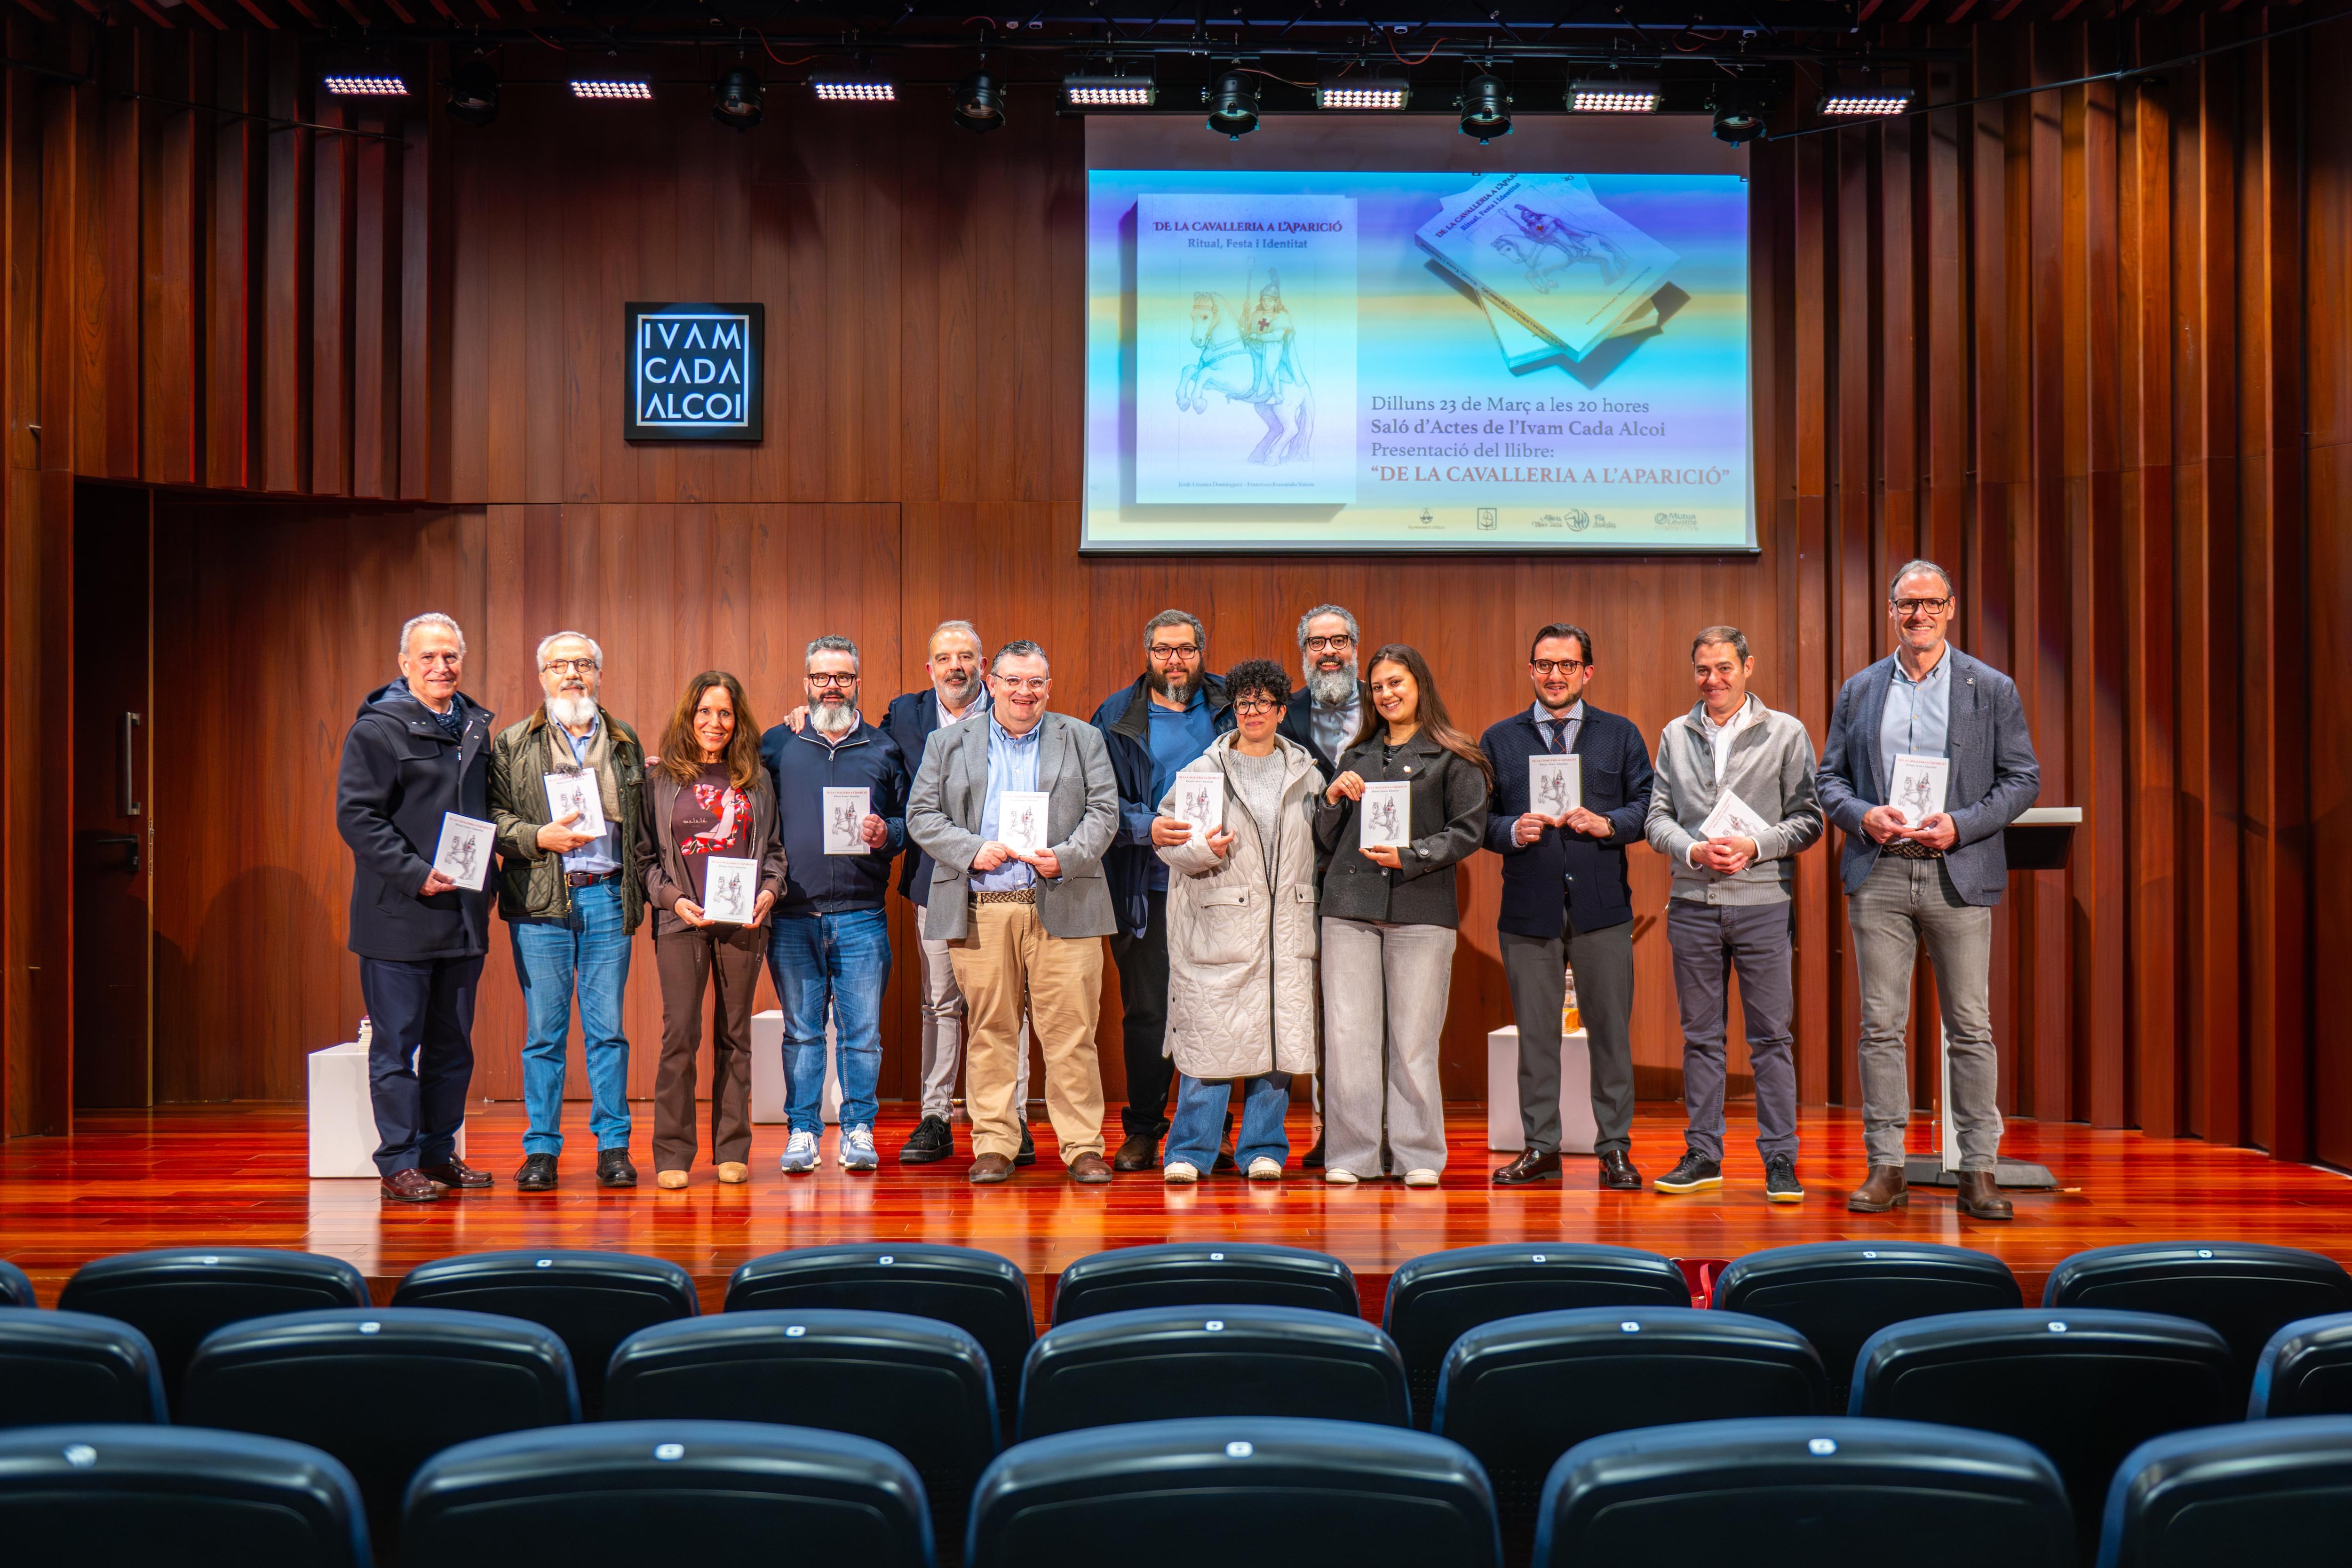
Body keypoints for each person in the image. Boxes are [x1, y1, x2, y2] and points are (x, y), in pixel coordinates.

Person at [1819, 560, 2040, 1220]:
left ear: (1950, 609)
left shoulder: (1991, 687)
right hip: (1880, 870)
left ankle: (1979, 1170)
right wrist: (1863, 815)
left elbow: (2023, 778)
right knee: (1879, 1026)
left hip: (1958, 870)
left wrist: (1961, 823)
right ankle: (1886, 1168)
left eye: (1930, 604)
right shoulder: (1859, 691)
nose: (1918, 615)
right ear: (1891, 611)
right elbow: (1829, 781)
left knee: (1970, 1028)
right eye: (1906, 605)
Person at [907, 640, 1121, 1184]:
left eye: (1036, 684)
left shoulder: (1082, 738)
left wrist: (1067, 857)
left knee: (1072, 1034)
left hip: (1064, 901)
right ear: (992, 681)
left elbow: (1104, 812)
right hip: (982, 905)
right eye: (1013, 681)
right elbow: (921, 816)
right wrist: (969, 849)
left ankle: (1082, 1147)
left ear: (1047, 688)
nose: (1024, 693)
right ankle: (995, 1143)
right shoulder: (947, 742)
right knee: (991, 1030)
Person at [1643, 626, 1824, 1202]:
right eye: (1702, 669)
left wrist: (1754, 847)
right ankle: (1703, 1154)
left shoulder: (1786, 732)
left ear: (1748, 667)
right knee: (1700, 1039)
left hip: (1762, 904)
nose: (1712, 680)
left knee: (1771, 1039)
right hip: (1693, 904)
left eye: (1723, 668)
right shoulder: (1675, 733)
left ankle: (1779, 1160)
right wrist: (1692, 849)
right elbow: (1655, 818)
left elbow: (1808, 818)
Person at [1480, 624, 1655, 1190]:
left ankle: (1613, 1149)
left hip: (1602, 908)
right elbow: (1478, 821)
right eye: (1543, 665)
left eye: (1566, 665)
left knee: (1609, 1036)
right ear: (1530, 670)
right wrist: (1511, 828)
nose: (1554, 675)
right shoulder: (1500, 739)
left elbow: (1649, 806)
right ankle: (1541, 1148)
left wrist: (1610, 824)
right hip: (1527, 909)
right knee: (1535, 1039)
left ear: (1587, 671)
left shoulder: (1619, 734)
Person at [1313, 644, 1491, 1186]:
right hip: (1348, 910)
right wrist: (1330, 800)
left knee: (1413, 1041)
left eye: (1397, 683)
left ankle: (1417, 1157)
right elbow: (1326, 841)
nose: (1387, 694)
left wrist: (1410, 856)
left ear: (1420, 686)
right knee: (1348, 1040)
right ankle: (1353, 1155)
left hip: (1420, 910)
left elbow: (1468, 832)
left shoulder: (1454, 755)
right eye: (1378, 686)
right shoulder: (1355, 755)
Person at [335, 612, 498, 1203]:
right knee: (396, 1046)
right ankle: (399, 1161)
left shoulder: (475, 728)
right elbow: (357, 817)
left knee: (453, 1045)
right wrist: (415, 875)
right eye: (428, 657)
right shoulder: (376, 731)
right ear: (404, 665)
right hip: (399, 916)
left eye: (450, 656)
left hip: (462, 917)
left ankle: (437, 1151)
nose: (441, 667)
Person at [486, 630, 648, 1192]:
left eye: (583, 664)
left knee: (608, 1033)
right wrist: (540, 836)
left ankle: (613, 1147)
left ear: (599, 674)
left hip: (606, 894)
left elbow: (644, 823)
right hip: (541, 903)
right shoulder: (513, 743)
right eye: (560, 666)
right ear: (542, 677)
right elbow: (495, 821)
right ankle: (541, 1151)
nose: (572, 674)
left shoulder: (624, 740)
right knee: (543, 1035)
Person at [1151, 659, 1323, 1182]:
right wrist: (1203, 848)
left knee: (1274, 1040)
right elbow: (1168, 845)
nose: (1251, 712)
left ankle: (1264, 1147)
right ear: (1233, 710)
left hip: (1287, 926)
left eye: (1262, 703)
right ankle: (1189, 1150)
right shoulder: (1202, 773)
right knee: (1210, 1041)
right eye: (1243, 703)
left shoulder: (1307, 774)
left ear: (1279, 710)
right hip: (1217, 927)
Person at [881, 620, 1034, 1166]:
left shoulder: (1014, 711)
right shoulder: (905, 715)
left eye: (966, 656)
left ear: (984, 668)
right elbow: (867, 752)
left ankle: (1012, 1115)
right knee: (939, 1002)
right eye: (944, 657)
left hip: (1011, 885)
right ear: (930, 668)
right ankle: (936, 1116)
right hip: (938, 880)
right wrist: (801, 715)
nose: (955, 667)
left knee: (1007, 1006)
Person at [1092, 610, 1235, 1171]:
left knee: (1215, 1008)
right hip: (1144, 885)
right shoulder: (1115, 715)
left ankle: (1212, 1129)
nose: (1173, 661)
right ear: (1147, 653)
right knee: (1148, 1012)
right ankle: (1145, 1129)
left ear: (1201, 650)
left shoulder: (1233, 705)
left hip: (1221, 884)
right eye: (1161, 650)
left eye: (1184, 650)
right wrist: (1143, 826)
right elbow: (1096, 799)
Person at [761, 636, 907, 1177]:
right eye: (821, 677)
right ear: (806, 683)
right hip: (792, 913)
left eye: (842, 678)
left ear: (857, 684)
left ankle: (857, 1130)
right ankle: (802, 1130)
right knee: (801, 1030)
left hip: (861, 913)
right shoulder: (778, 743)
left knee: (861, 1034)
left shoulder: (884, 748)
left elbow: (909, 821)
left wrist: (884, 832)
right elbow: (740, 801)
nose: (831, 687)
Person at [636, 671, 785, 1190]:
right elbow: (644, 860)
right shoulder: (658, 781)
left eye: (724, 713)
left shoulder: (757, 779)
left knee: (735, 1035)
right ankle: (673, 1151)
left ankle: (732, 1148)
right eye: (704, 712)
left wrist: (769, 890)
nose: (714, 723)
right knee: (680, 1034)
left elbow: (774, 854)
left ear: (737, 720)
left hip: (742, 922)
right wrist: (673, 899)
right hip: (681, 921)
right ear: (689, 716)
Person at [1279, 604, 1369, 779]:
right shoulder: (1286, 715)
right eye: (1317, 642)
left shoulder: (1380, 705)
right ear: (1305, 653)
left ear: (1355, 650)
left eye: (1339, 641)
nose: (1329, 650)